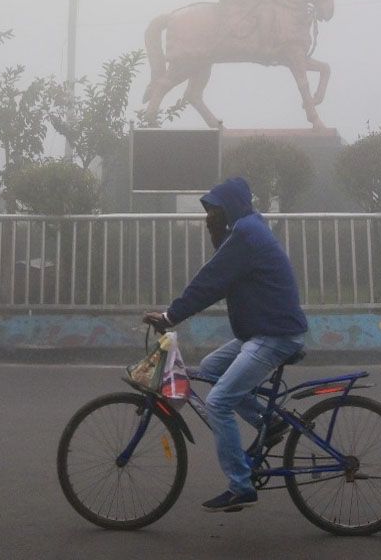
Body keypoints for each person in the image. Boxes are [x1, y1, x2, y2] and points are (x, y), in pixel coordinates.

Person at [143, 177, 307, 513]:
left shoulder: (246, 234)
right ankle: (268, 422)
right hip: (262, 332)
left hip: (274, 335)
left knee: (217, 402)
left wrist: (170, 315)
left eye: (214, 210)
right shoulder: (248, 229)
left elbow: (210, 280)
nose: (209, 218)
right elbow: (218, 277)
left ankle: (240, 485)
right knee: (211, 369)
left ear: (229, 208)